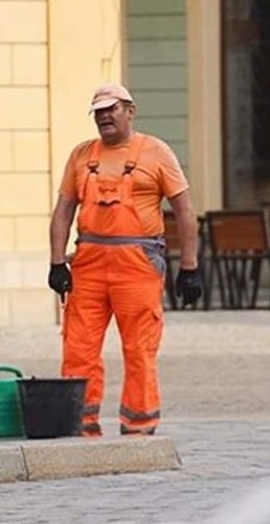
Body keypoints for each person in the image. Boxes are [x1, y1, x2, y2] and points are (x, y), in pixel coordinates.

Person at [47, 84, 202, 437]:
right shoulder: (81, 156)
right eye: (98, 112)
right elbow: (63, 212)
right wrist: (57, 263)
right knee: (78, 348)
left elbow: (184, 211)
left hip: (138, 265)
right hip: (88, 263)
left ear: (130, 111)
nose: (104, 117)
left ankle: (139, 425)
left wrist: (189, 267)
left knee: (139, 349)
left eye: (110, 109)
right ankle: (80, 424)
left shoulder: (156, 153)